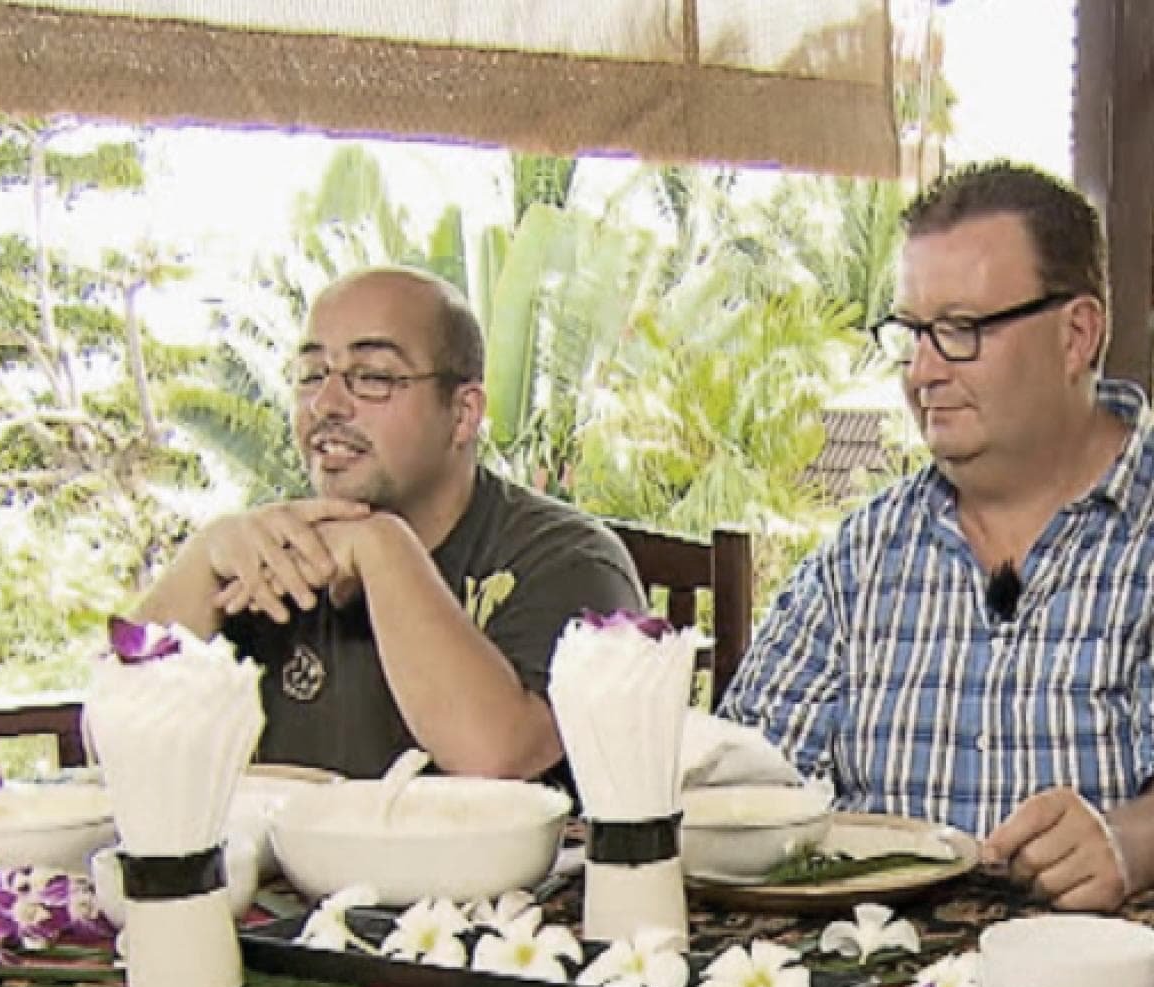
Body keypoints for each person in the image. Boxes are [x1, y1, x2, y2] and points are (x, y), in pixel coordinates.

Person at [718, 160, 1154, 913]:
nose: (922, 371)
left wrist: (1137, 840)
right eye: (912, 332)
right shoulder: (860, 557)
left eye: (960, 331)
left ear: (1077, 334)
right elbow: (740, 789)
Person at [137, 265, 643, 780]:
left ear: (464, 413)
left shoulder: (569, 560)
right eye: (312, 375)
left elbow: (495, 757)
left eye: (374, 377)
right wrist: (201, 561)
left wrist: (383, 549)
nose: (325, 404)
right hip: (286, 860)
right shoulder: (272, 556)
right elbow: (119, 743)